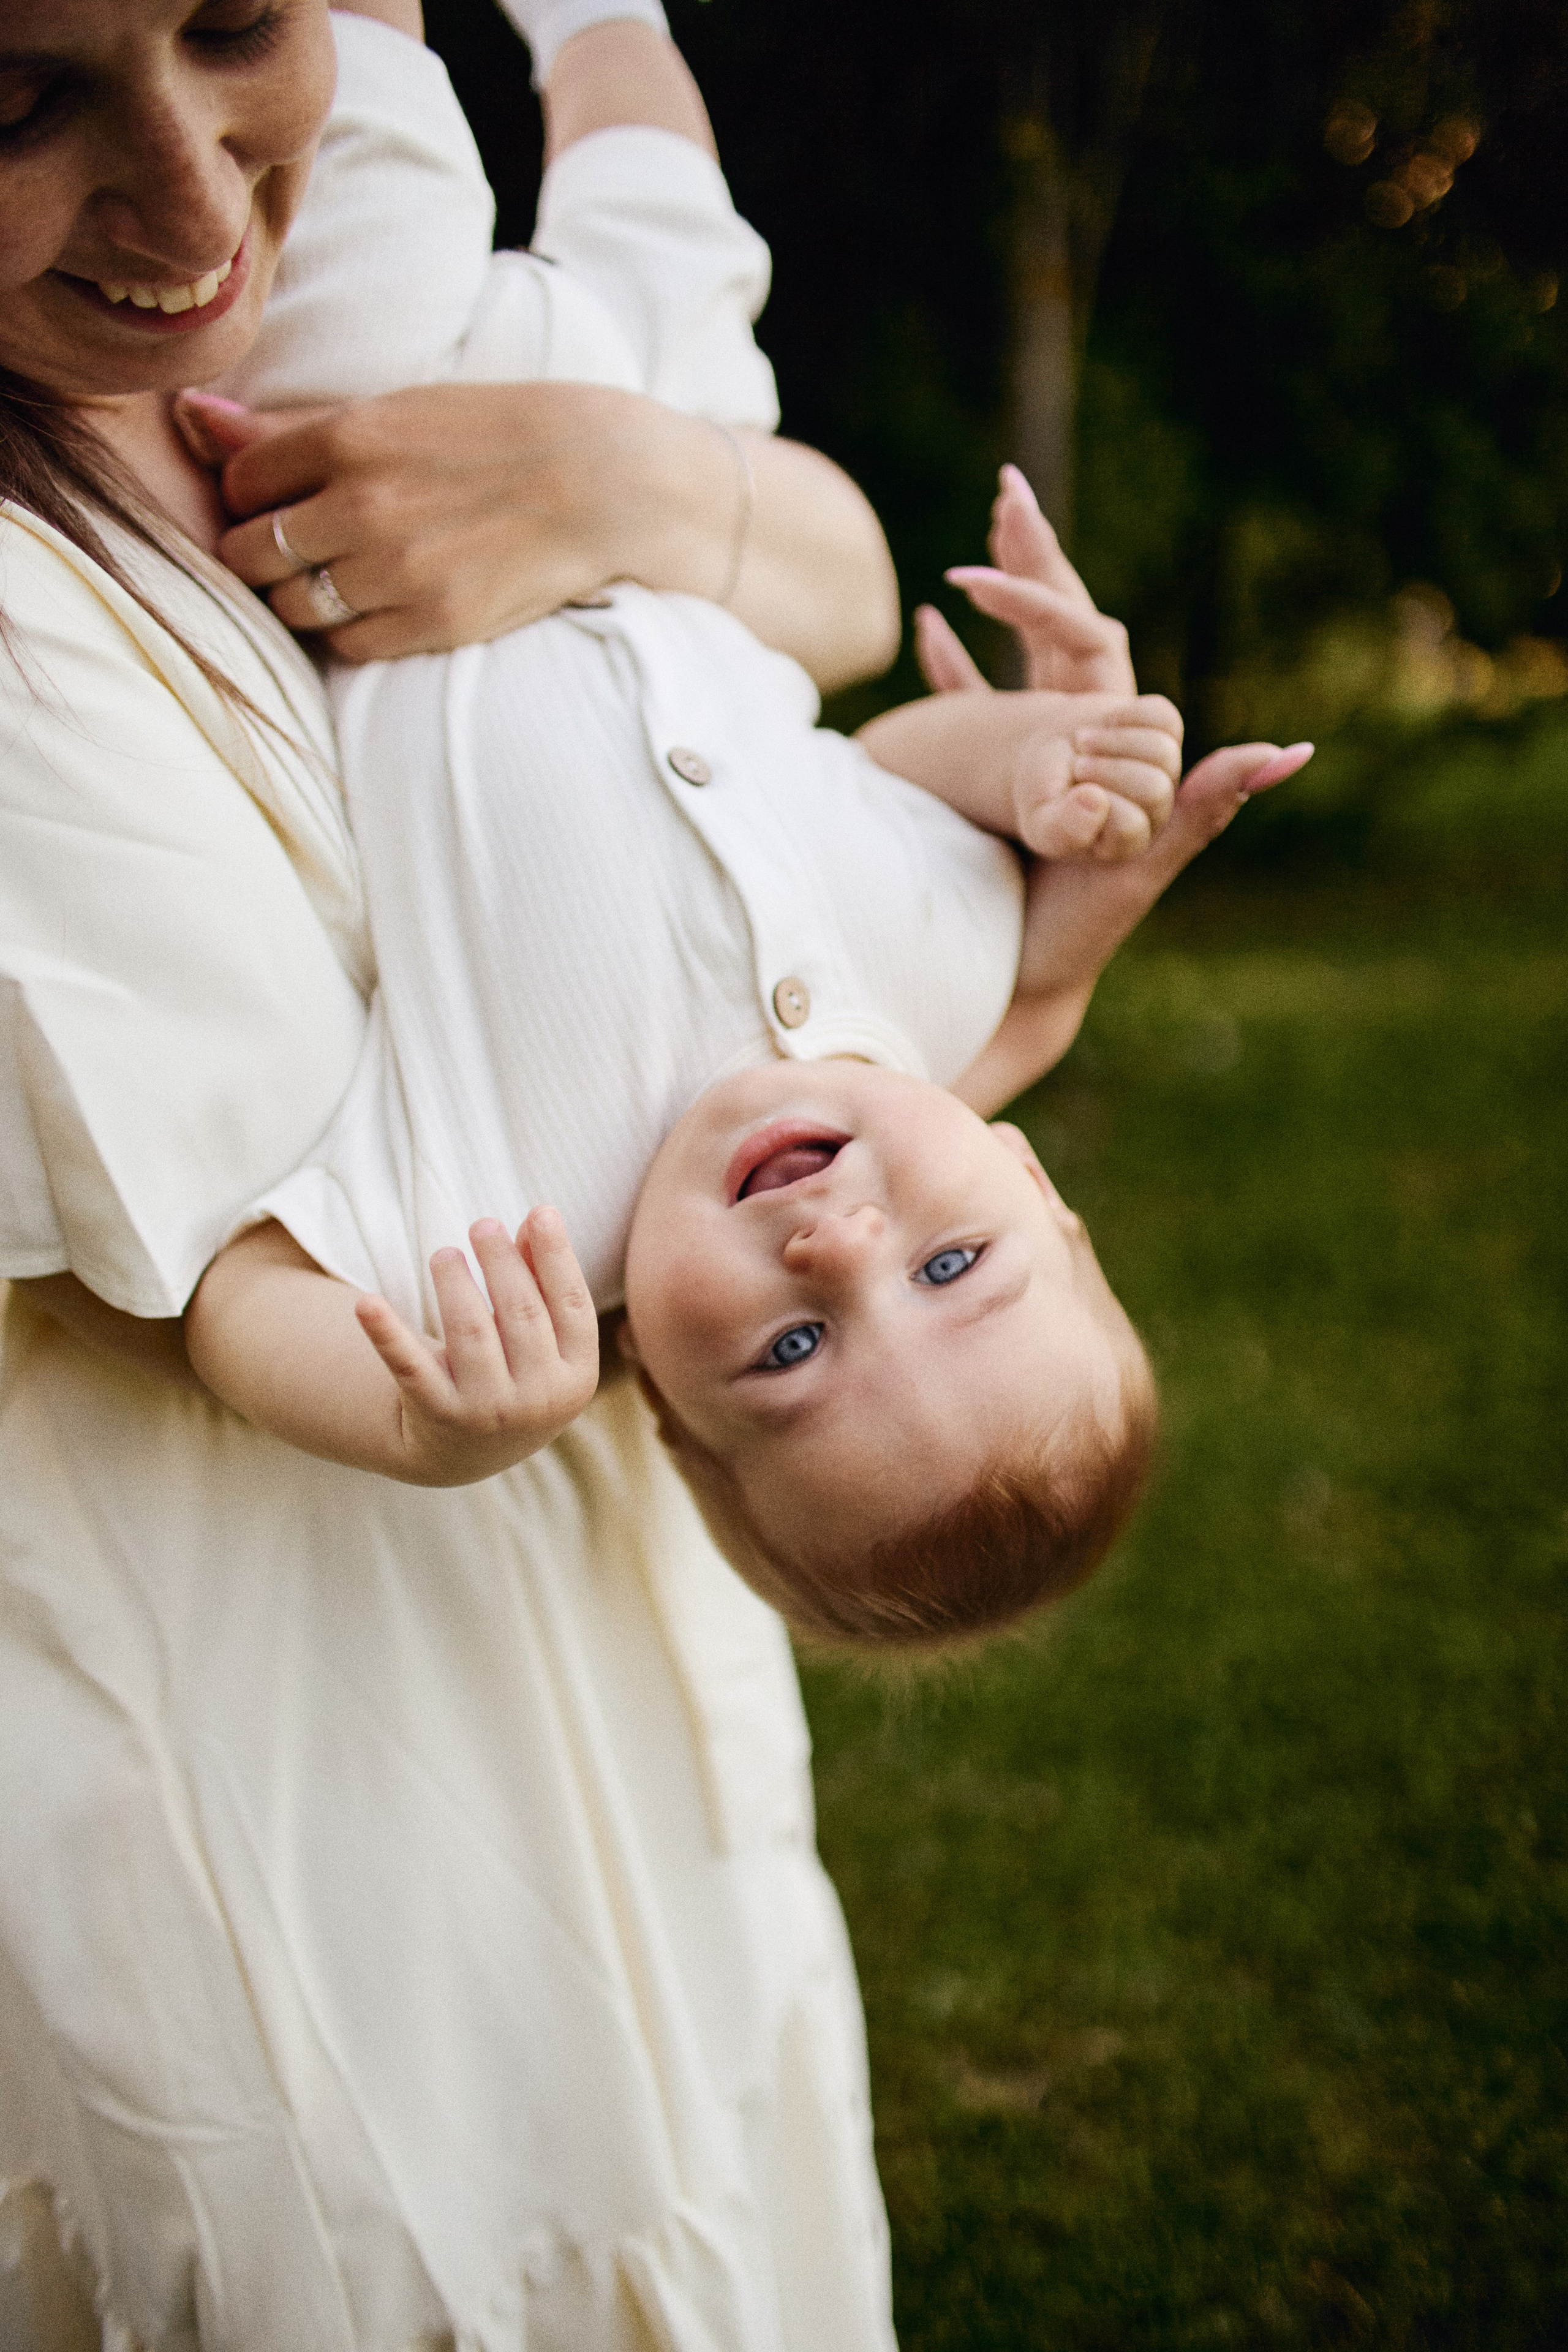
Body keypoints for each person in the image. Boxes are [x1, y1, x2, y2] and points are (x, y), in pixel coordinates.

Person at [0, 1, 914, 2342]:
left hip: (608, 1633)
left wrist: (625, 487)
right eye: (14, 101)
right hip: (278, 1731)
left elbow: (842, 585)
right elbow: (236, 1249)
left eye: (235, 22)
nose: (192, 197)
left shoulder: (381, 265)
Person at [169, 5, 1305, 1646]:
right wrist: (1037, 764)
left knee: (365, 119)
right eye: (952, 1269)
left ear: (667, 1410)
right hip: (666, 428)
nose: (837, 1246)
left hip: (376, 438)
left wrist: (430, 1425)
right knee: (671, 208)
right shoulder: (947, 987)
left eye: (790, 1354)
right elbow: (888, 766)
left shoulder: (513, 1221)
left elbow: (235, 1299)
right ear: (1029, 1180)